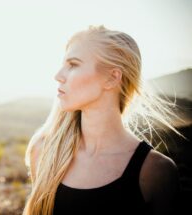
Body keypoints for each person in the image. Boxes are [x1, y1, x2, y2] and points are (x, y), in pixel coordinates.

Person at [22, 25, 186, 215]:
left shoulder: (156, 172)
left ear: (112, 78)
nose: (58, 76)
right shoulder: (44, 153)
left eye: (73, 64)